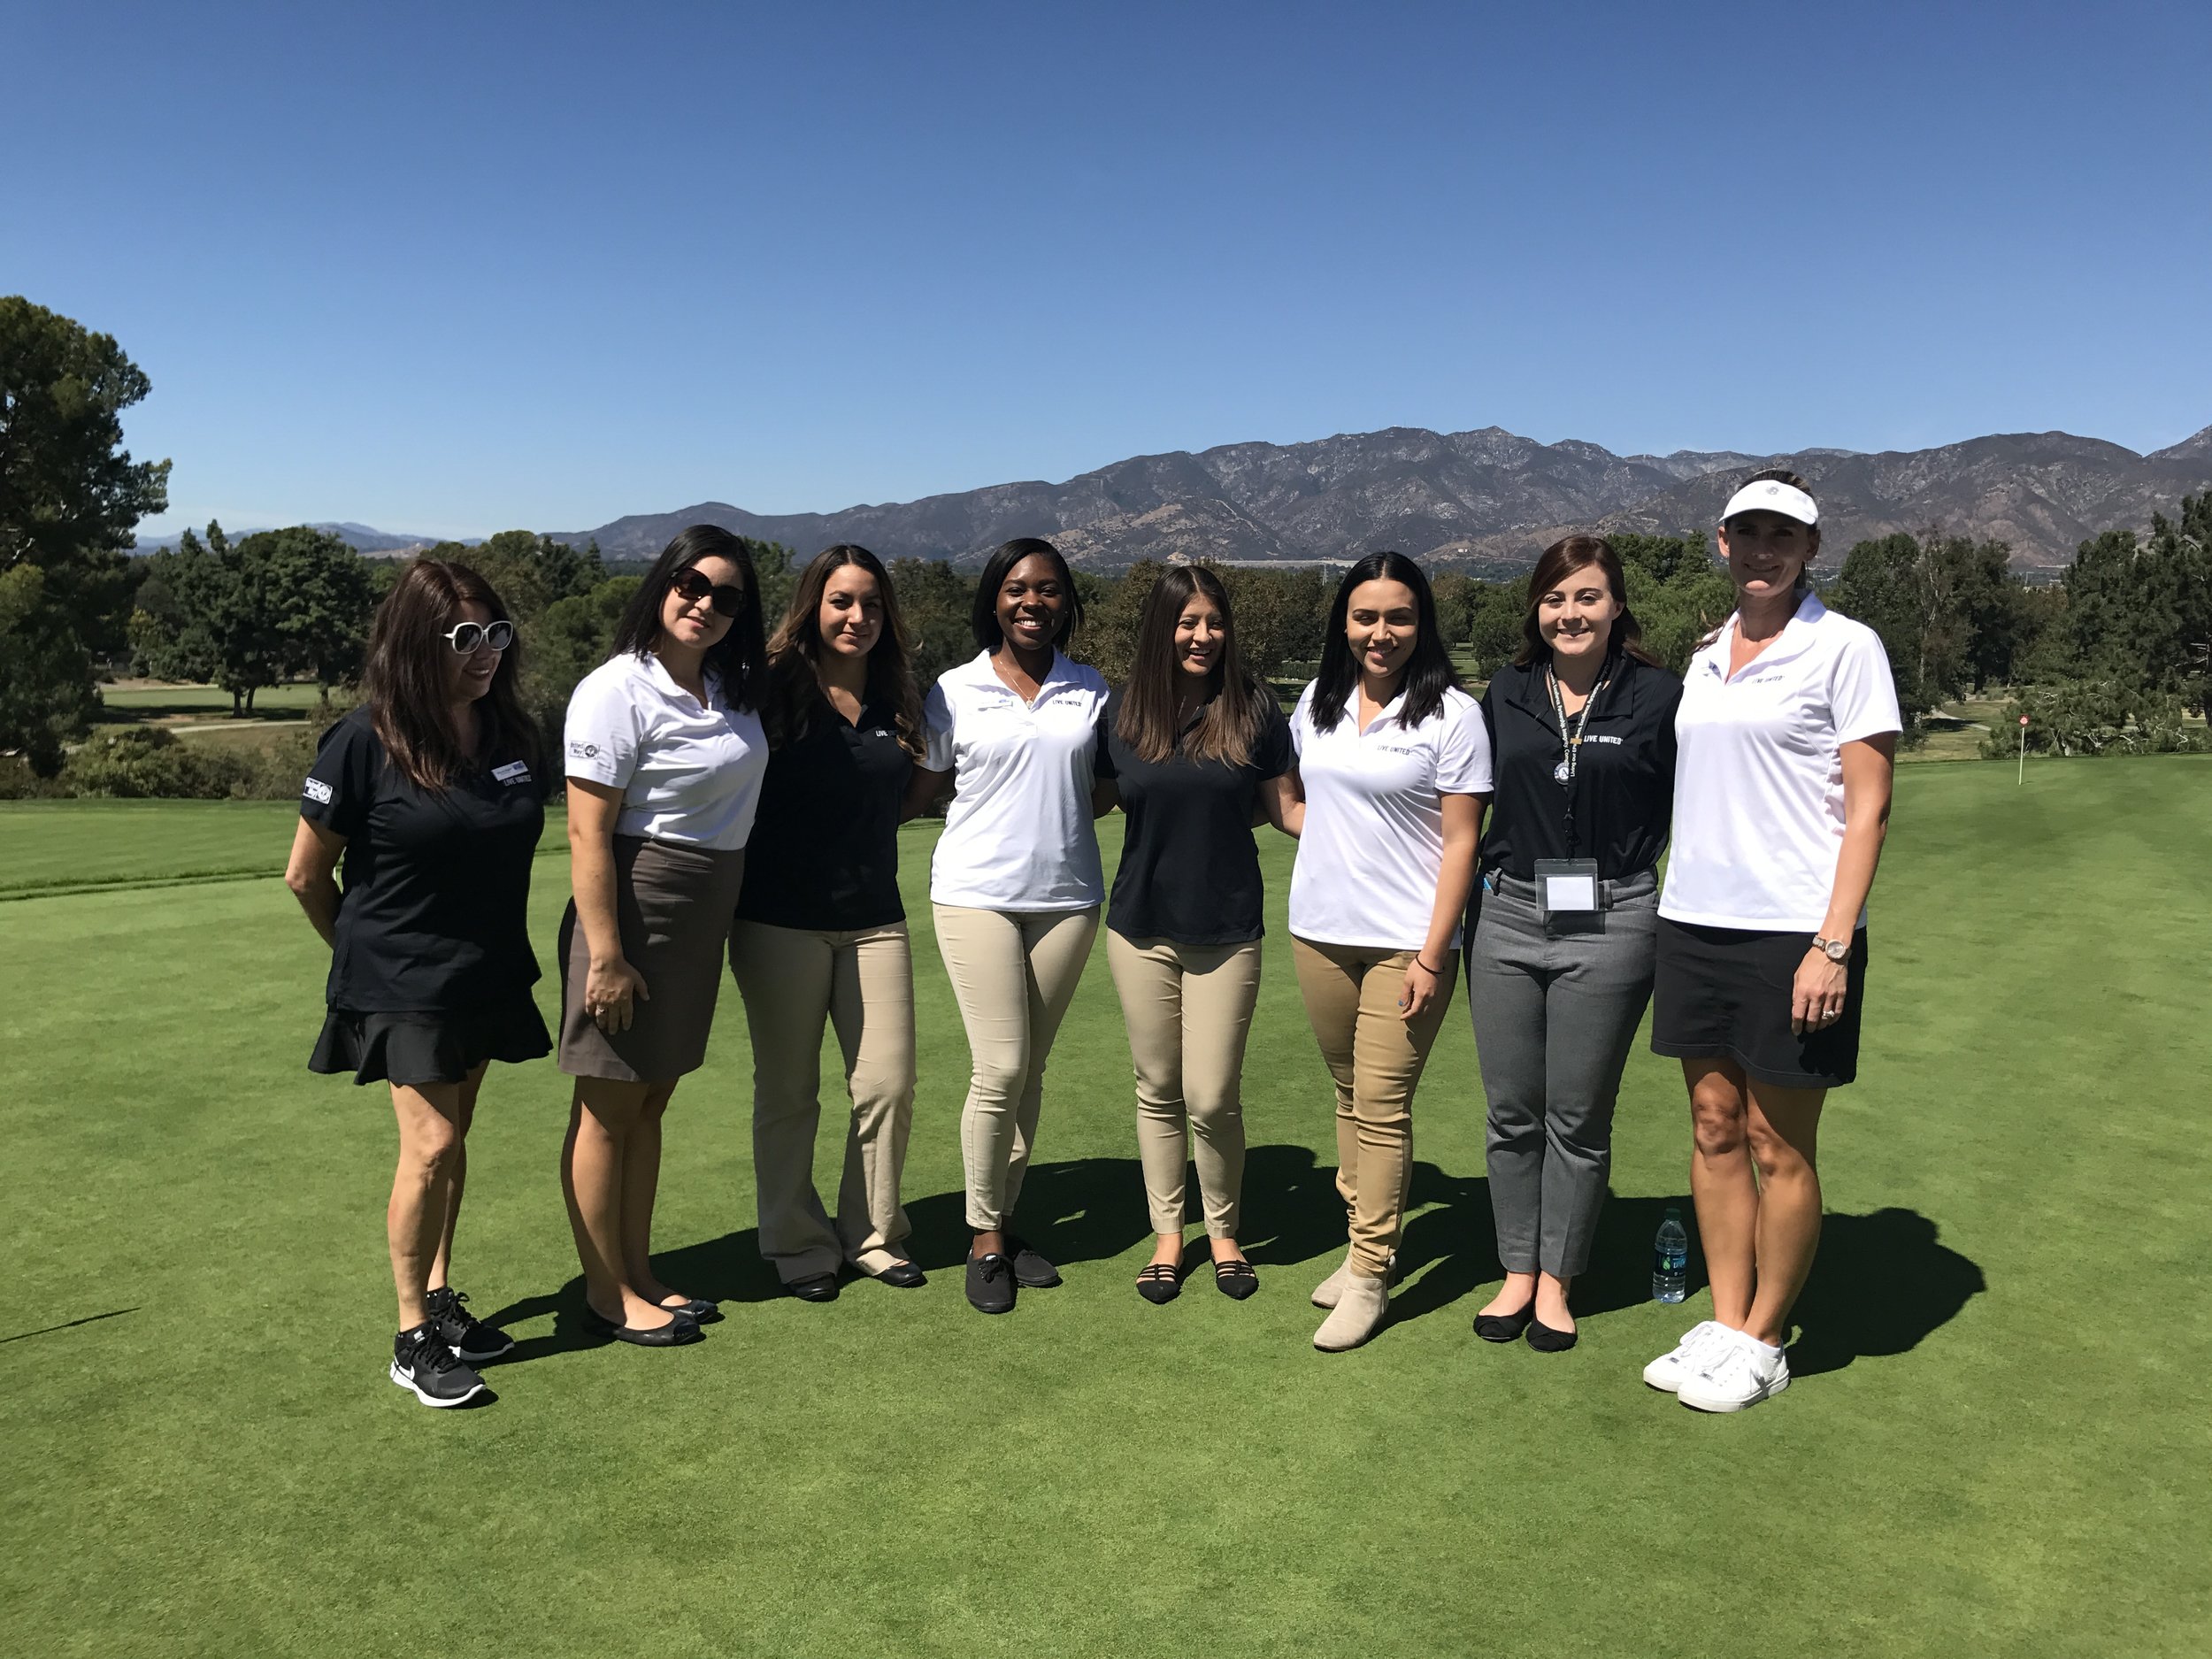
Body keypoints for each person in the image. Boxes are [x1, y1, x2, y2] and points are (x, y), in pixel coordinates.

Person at [1641, 470, 1900, 1412]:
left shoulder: (1845, 648)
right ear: (1721, 542)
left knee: (1776, 1142)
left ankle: (1765, 1336)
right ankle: (1723, 1316)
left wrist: (1831, 945)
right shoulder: (1707, 652)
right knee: (1713, 1131)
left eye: (1781, 537)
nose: (1762, 550)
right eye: (1746, 533)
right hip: (1694, 921)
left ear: (1808, 551)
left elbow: (1868, 807)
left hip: (1794, 932)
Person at [286, 558, 552, 1409]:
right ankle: (410, 1339)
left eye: (496, 635)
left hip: (486, 970)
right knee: (430, 1145)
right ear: (414, 644)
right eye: (464, 638)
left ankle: (440, 1298)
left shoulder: (508, 736)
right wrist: (365, 974)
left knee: (457, 1137)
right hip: (402, 978)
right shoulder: (363, 739)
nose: (485, 654)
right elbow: (305, 875)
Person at [1464, 536, 1681, 1353]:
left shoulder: (1659, 696)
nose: (1571, 613)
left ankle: (1559, 1277)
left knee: (1577, 1117)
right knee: (1511, 1113)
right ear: (1536, 609)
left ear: (1616, 604)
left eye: (1587, 597)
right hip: (1510, 914)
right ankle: (1517, 1269)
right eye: (1555, 599)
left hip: (1614, 915)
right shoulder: (1508, 690)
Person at [557, 525, 769, 1346]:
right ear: (662, 583)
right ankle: (607, 1292)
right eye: (692, 583)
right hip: (637, 906)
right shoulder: (616, 689)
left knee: (651, 1100)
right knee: (608, 1106)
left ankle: (639, 1271)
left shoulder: (726, 685)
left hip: (704, 907)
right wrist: (604, 953)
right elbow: (586, 834)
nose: (705, 604)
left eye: (726, 596)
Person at [1280, 551, 1490, 1351]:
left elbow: (1463, 842)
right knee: (1346, 1096)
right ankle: (1358, 1242)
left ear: (1421, 624)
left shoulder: (1452, 716)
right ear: (1345, 621)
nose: (1381, 632)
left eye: (1398, 617)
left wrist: (1436, 954)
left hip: (1408, 943)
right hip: (1320, 932)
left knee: (1382, 1104)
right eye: (1366, 616)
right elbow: (1301, 800)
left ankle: (1371, 1273)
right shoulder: (1318, 701)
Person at [905, 536, 1112, 1315]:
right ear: (993, 599)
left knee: (1031, 1070)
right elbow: (924, 788)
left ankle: (1003, 1217)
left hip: (1067, 899)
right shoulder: (953, 689)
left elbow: (1101, 791)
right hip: (974, 895)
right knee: (1000, 1066)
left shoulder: (1089, 688)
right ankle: (984, 1236)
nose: (1034, 602)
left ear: (1067, 602)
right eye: (1018, 589)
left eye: (1050, 589)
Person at [1094, 565, 1296, 1304]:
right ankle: (1169, 1235)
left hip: (1228, 929)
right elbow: (1090, 800)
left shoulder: (1252, 709)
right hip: (1140, 929)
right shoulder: (1122, 714)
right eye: (1187, 622)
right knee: (1157, 1088)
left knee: (1211, 1096)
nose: (1202, 635)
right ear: (1163, 627)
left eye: (1214, 622)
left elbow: (1286, 810)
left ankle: (1224, 1231)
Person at [728, 546, 926, 1300]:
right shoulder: (771, 689)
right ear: (814, 605)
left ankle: (873, 1232)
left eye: (872, 604)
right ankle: (796, 1240)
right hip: (778, 920)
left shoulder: (897, 693)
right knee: (789, 1090)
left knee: (887, 1082)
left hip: (875, 918)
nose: (858, 617)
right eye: (843, 601)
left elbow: (902, 797)